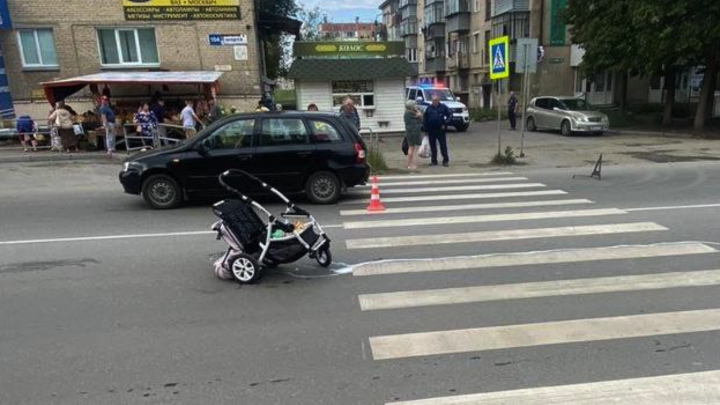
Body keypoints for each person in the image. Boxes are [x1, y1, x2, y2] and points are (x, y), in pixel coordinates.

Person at [423, 95, 452, 167]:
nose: (434, 102)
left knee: (443, 145)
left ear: (439, 100)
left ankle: (445, 161)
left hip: (440, 130)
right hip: (431, 130)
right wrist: (425, 129)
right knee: (433, 146)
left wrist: (445, 123)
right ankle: (434, 161)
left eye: (436, 100)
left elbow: (450, 115)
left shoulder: (443, 107)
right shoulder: (429, 108)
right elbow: (425, 118)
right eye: (433, 101)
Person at [404, 101, 423, 170]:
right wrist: (417, 111)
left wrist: (418, 112)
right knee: (411, 148)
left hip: (410, 132)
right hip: (412, 133)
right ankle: (410, 164)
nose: (416, 105)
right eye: (414, 104)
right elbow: (420, 117)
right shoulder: (410, 113)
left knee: (412, 148)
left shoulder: (408, 113)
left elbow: (420, 119)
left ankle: (411, 163)